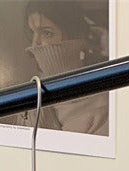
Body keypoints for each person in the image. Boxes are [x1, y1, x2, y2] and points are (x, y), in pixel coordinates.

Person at [17, 1, 110, 136]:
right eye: (32, 33)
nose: (34, 45)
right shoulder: (32, 98)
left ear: (75, 35)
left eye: (47, 33)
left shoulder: (104, 107)